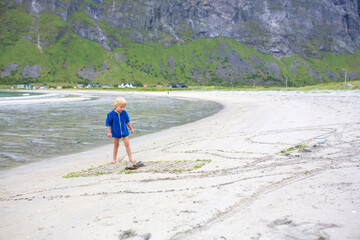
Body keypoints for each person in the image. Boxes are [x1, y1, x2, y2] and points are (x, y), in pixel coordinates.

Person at [106, 97, 135, 164]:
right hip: (115, 133)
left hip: (124, 132)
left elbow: (127, 121)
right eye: (121, 107)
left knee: (127, 144)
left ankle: (130, 158)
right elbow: (108, 124)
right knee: (116, 145)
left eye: (124, 107)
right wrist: (109, 132)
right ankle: (114, 159)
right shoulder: (110, 114)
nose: (122, 109)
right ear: (116, 106)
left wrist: (131, 129)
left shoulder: (124, 113)